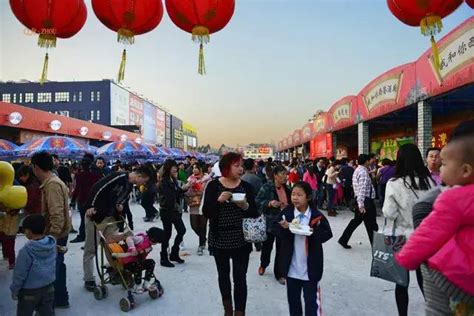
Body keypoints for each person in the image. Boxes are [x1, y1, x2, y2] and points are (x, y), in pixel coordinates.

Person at [396, 132, 474, 315]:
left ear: (465, 170)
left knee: (436, 309)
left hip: (454, 276)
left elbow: (428, 234)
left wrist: (406, 257)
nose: (440, 167)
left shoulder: (452, 198)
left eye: (444, 164)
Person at [202, 152, 260, 316]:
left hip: (241, 239)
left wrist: (245, 206)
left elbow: (254, 213)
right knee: (223, 276)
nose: (241, 169)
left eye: (241, 165)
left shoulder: (246, 187)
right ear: (226, 167)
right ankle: (228, 310)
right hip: (219, 239)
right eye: (237, 166)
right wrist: (219, 200)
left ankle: (240, 312)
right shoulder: (213, 186)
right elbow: (207, 212)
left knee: (240, 278)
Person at [382, 143, 435, 316]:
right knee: (425, 281)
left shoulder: (394, 183)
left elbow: (389, 212)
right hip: (426, 239)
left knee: (401, 282)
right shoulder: (430, 181)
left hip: (402, 238)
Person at [82, 166, 153, 291]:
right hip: (96, 216)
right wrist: (90, 205)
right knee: (91, 249)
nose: (144, 183)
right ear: (139, 176)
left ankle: (116, 272)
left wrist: (120, 205)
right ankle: (89, 279)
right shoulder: (118, 176)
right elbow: (97, 188)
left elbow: (122, 199)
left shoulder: (130, 186)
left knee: (112, 246)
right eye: (145, 180)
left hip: (111, 218)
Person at [277, 181, 333, 316]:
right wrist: (285, 228)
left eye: (299, 195)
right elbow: (276, 231)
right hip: (291, 269)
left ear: (308, 197)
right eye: (293, 194)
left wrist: (314, 231)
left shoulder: (316, 215)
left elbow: (327, 235)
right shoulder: (287, 214)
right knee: (294, 303)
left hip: (310, 269)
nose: (295, 198)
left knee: (311, 303)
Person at [31, 151, 72, 309]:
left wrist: (51, 238)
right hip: (59, 234)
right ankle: (61, 298)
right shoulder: (52, 182)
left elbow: (57, 216)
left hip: (56, 235)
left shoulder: (52, 184)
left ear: (36, 167)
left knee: (52, 269)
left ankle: (54, 300)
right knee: (58, 266)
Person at [10, 214, 56, 316]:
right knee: (47, 312)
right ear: (44, 228)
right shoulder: (51, 245)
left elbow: (19, 273)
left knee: (24, 312)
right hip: (48, 287)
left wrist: (15, 289)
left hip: (29, 291)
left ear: (27, 232)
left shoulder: (26, 251)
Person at [256, 165, 292, 285]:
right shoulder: (266, 187)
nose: (286, 177)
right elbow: (258, 202)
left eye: (286, 174)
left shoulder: (287, 189)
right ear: (275, 176)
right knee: (267, 246)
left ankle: (280, 273)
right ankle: (263, 264)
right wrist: (269, 203)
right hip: (270, 223)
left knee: (281, 249)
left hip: (283, 222)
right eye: (283, 175)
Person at [338, 154, 378, 248]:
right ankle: (376, 245)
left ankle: (343, 239)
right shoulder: (363, 172)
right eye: (371, 159)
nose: (372, 161)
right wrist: (361, 205)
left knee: (356, 221)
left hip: (361, 200)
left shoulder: (358, 170)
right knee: (371, 224)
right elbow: (362, 189)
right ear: (367, 161)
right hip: (365, 201)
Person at [158, 159, 186, 267]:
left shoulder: (173, 179)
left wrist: (184, 189)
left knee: (181, 230)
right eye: (174, 167)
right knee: (167, 234)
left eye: (176, 167)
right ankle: (164, 258)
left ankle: (174, 252)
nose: (176, 169)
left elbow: (176, 192)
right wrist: (179, 190)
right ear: (168, 168)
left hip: (174, 211)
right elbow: (169, 195)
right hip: (167, 211)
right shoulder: (164, 181)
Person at [70, 159, 102, 243]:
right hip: (93, 200)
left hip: (82, 200)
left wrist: (73, 200)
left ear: (81, 166)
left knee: (83, 219)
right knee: (92, 219)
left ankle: (82, 236)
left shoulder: (79, 175)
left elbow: (77, 189)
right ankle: (93, 237)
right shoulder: (95, 175)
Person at [183, 162, 212, 255]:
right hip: (194, 205)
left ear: (201, 169)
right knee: (194, 226)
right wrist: (188, 187)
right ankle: (204, 239)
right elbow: (185, 190)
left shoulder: (207, 179)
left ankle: (201, 245)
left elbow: (209, 192)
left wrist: (200, 189)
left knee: (203, 225)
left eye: (196, 168)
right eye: (193, 168)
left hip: (204, 204)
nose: (194, 170)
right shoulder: (191, 179)